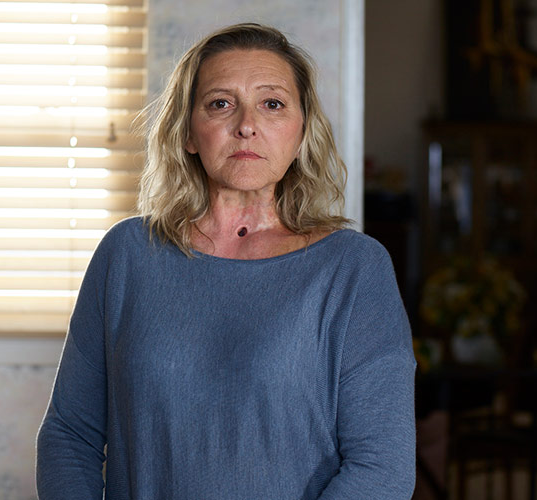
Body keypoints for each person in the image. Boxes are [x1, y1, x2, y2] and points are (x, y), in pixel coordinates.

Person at [36, 23, 415, 499]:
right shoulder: (126, 255)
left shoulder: (355, 270)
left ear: (301, 131)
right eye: (220, 103)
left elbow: (382, 468)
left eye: (272, 104)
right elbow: (70, 435)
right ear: (190, 132)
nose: (246, 124)